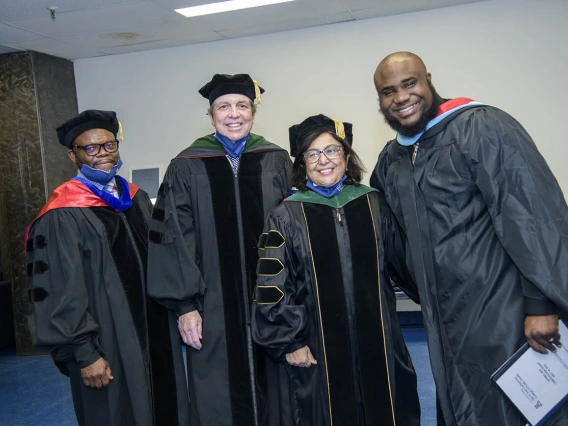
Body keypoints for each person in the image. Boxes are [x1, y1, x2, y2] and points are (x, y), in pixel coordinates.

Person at [371, 51, 568, 426]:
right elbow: (396, 238)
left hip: (504, 306)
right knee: (466, 404)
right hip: (446, 315)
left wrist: (541, 304)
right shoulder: (392, 159)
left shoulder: (482, 127)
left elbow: (529, 212)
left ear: (428, 79)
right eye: (387, 91)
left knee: (521, 407)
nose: (401, 98)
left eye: (409, 83)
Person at [251, 114, 421, 426]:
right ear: (302, 163)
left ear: (346, 155)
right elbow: (271, 284)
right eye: (312, 153)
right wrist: (289, 340)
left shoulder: (374, 204)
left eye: (332, 150)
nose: (323, 160)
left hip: (381, 342)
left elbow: (407, 262)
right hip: (317, 349)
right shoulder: (285, 216)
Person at [25, 110, 190, 426]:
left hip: (155, 334)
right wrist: (84, 353)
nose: (102, 154)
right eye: (90, 148)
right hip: (105, 342)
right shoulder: (61, 214)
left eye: (109, 145)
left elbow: (163, 257)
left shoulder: (135, 198)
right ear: (72, 154)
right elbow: (58, 290)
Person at [147, 74, 293, 426]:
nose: (233, 114)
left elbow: (297, 230)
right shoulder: (185, 165)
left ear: (253, 113)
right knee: (216, 396)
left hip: (273, 301)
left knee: (279, 389)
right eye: (223, 107)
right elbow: (172, 238)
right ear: (210, 115)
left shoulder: (275, 160)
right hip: (210, 306)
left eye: (242, 105)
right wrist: (185, 306)